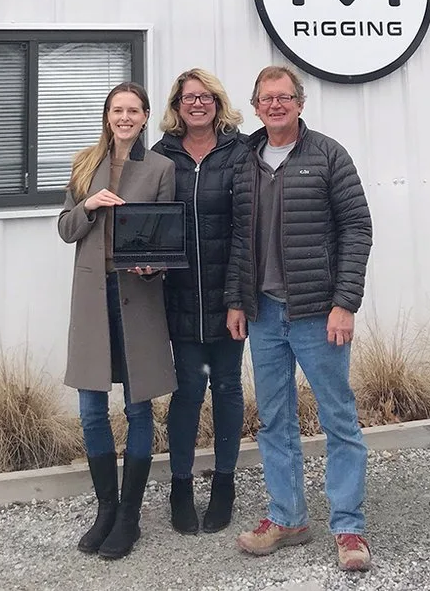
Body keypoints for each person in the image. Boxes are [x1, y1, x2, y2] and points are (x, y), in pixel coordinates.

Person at [225, 66, 374, 573]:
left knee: (339, 419)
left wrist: (345, 302)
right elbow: (238, 240)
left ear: (300, 103)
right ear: (256, 104)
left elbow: (358, 228)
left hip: (317, 314)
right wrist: (236, 301)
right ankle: (287, 517)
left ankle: (349, 526)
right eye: (266, 98)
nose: (276, 105)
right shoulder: (245, 160)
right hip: (263, 314)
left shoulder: (328, 155)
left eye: (285, 97)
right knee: (274, 421)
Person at [58, 82, 176, 560]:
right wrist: (89, 205)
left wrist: (155, 263)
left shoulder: (161, 168)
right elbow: (66, 229)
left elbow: (167, 235)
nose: (124, 117)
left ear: (145, 117)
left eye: (133, 110)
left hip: (138, 298)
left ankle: (129, 516)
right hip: (93, 297)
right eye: (116, 110)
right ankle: (105, 509)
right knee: (91, 409)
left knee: (138, 407)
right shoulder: (86, 163)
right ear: (107, 115)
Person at [152, 69, 249, 535]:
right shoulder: (161, 156)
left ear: (217, 102)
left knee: (228, 387)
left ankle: (225, 484)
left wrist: (239, 297)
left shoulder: (241, 152)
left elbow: (249, 231)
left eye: (206, 96)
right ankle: (181, 486)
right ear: (177, 104)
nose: (197, 103)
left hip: (230, 298)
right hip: (180, 298)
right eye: (189, 97)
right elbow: (148, 223)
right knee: (188, 392)